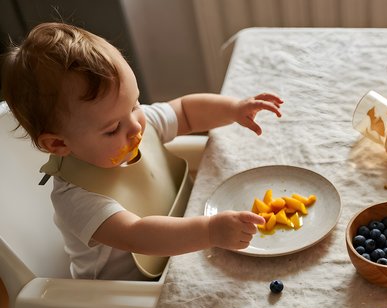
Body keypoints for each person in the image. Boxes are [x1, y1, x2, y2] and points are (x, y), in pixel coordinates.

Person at [2, 22, 283, 280]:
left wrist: (233, 109)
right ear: (59, 145)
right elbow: (138, 236)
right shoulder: (77, 199)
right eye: (112, 129)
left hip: (178, 248)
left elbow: (185, 111)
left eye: (135, 104)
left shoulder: (130, 125)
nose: (136, 126)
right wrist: (210, 231)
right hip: (123, 294)